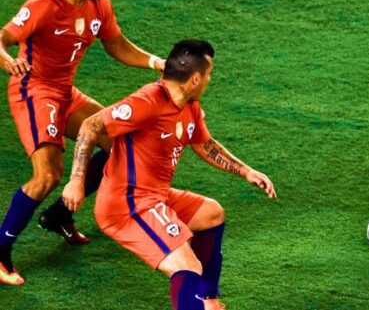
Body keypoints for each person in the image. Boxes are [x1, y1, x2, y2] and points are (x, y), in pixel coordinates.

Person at [61, 39, 276, 310]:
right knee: (187, 265)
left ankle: (208, 299)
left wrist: (246, 171)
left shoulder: (189, 106)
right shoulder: (148, 101)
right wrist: (76, 180)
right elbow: (91, 125)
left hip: (155, 197)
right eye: (209, 74)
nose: (210, 80)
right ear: (195, 79)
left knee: (212, 213)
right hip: (127, 205)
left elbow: (204, 144)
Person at [0, 0, 167, 285]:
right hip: (34, 92)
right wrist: (7, 60)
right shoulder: (44, 3)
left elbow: (116, 44)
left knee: (123, 143)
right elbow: (2, 38)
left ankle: (58, 215)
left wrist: (156, 63)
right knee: (48, 175)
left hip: (65, 93)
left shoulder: (98, 4)